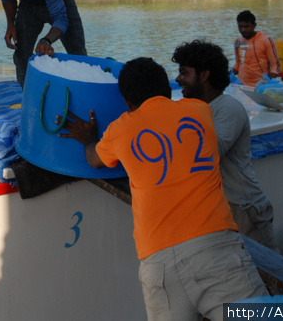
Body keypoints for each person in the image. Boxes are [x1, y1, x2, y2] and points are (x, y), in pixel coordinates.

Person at [62, 57, 268, 321]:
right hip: (216, 250)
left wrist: (89, 138)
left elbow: (94, 160)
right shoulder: (199, 110)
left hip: (158, 264)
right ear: (167, 88)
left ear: (126, 101)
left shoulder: (120, 129)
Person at [173, 39, 279, 252]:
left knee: (266, 278)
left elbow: (210, 152)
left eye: (184, 73)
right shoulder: (197, 108)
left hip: (244, 208)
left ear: (204, 75)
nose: (178, 79)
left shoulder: (228, 108)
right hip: (220, 209)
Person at [232, 10, 280, 86]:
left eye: (247, 26)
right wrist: (227, 75)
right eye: (240, 26)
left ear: (254, 25)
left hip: (260, 85)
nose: (243, 30)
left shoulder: (266, 40)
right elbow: (238, 64)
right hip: (242, 85)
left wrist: (267, 83)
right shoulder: (237, 41)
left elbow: (275, 66)